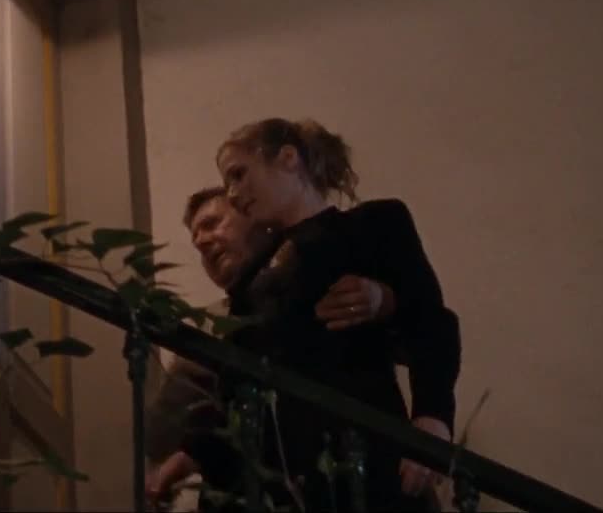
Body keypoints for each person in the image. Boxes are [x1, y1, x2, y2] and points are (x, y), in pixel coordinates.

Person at [187, 117, 462, 511]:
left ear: (288, 158)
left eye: (239, 174)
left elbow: (430, 320)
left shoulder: (373, 224)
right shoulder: (252, 277)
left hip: (359, 452)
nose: (232, 193)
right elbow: (236, 376)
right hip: (284, 473)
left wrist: (432, 418)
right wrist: (193, 455)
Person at [145, 186, 398, 509]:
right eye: (195, 240)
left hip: (347, 479)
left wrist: (384, 299)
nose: (202, 241)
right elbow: (163, 434)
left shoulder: (324, 277)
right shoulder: (205, 326)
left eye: (211, 224)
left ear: (254, 219)